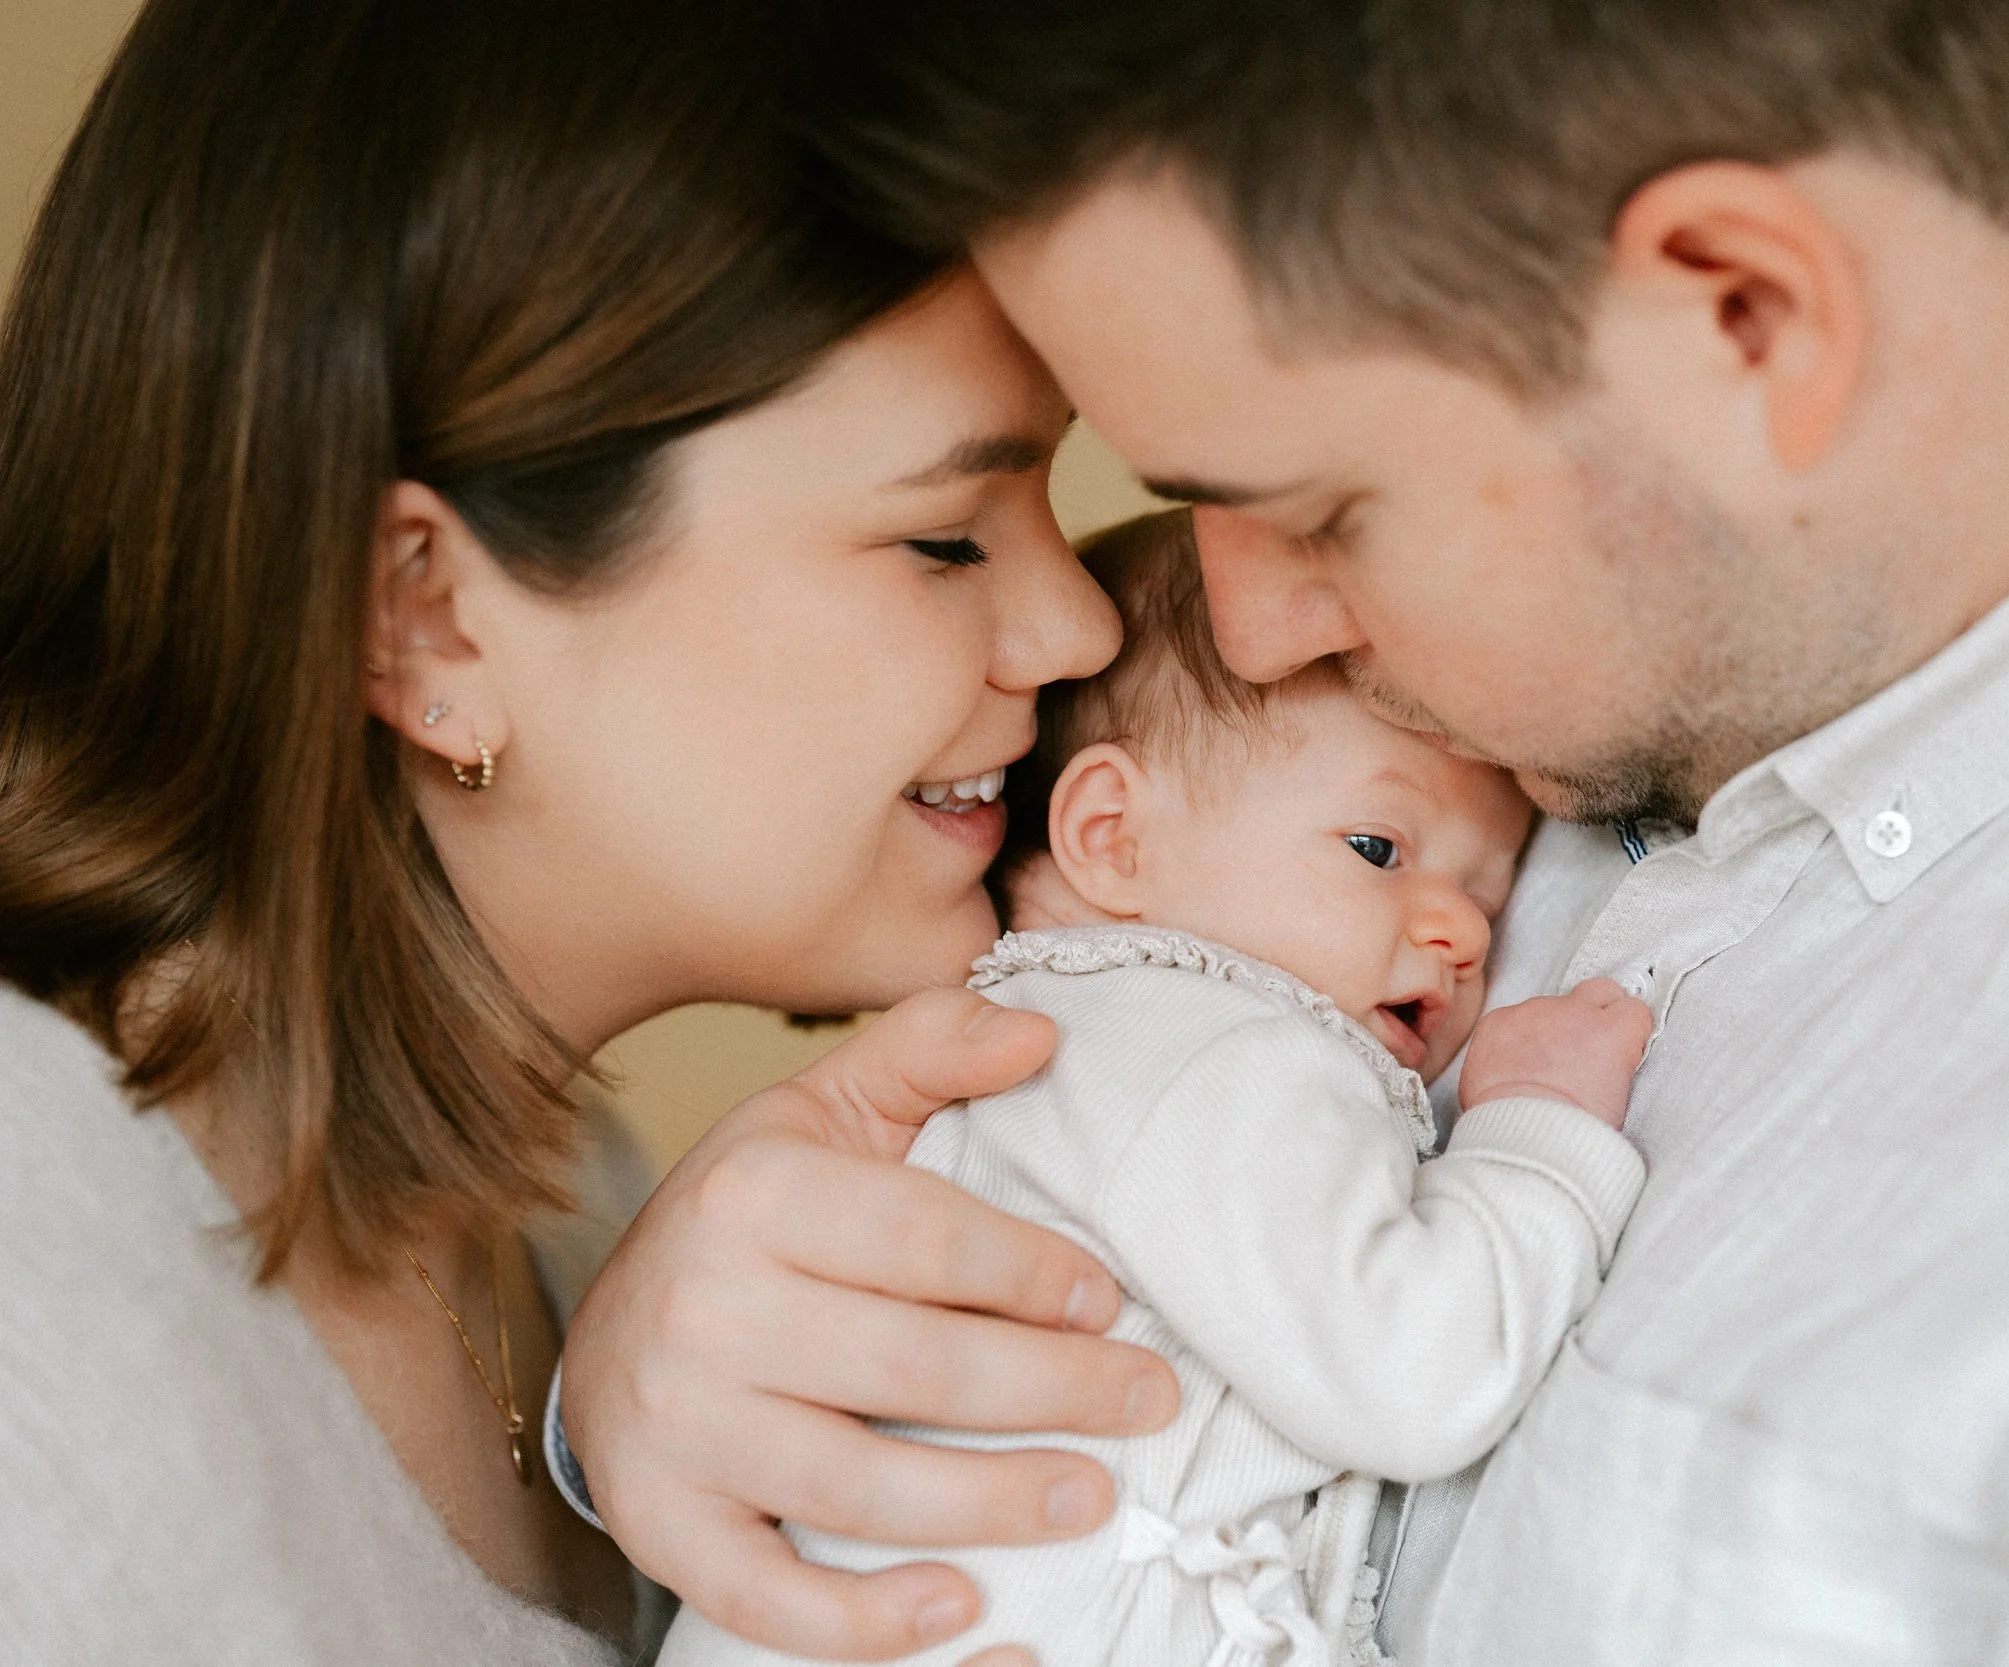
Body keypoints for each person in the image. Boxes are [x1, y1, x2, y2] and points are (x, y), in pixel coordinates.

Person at [558, 0, 2009, 1661]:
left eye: (1315, 510)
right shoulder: (1534, 693)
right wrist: (676, 1375)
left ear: (1741, 314)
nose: (1243, 632)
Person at [0, 0, 1159, 1659]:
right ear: (424, 624)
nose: (1080, 629)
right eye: (945, 539)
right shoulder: (29, 1263)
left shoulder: (585, 1225)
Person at [657, 511, 1650, 1667]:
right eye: (1378, 847)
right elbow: (1414, 1370)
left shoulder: (1074, 1052)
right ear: (1113, 833)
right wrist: (1537, 1139)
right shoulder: (1200, 1044)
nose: (1459, 930)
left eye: (1489, 894)